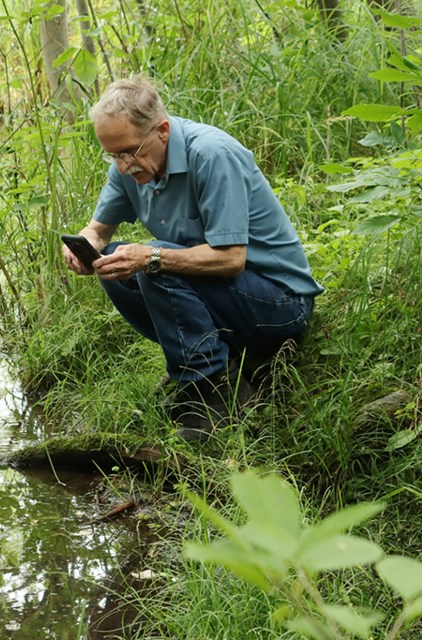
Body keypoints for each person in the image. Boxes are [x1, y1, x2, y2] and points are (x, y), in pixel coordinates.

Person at [61, 76, 324, 441]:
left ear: (163, 131)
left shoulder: (212, 155)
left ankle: (216, 394)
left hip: (279, 307)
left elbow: (231, 259)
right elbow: (99, 231)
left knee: (153, 263)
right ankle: (206, 366)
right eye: (113, 155)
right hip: (226, 299)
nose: (122, 165)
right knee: (114, 262)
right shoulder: (129, 164)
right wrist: (86, 245)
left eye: (129, 152)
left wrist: (151, 256)